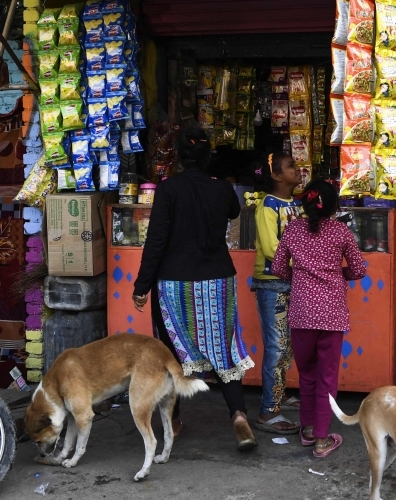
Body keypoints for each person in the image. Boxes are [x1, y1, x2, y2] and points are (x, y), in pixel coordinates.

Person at [133, 123, 258, 451]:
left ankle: (173, 421)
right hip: (217, 281)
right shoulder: (221, 189)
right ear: (208, 156)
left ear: (179, 155)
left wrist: (141, 285)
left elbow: (156, 242)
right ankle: (239, 415)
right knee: (225, 350)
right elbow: (234, 211)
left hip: (174, 285)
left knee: (173, 356)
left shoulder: (168, 189)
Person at [272, 179, 367, 458]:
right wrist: (339, 276)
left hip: (301, 313)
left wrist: (299, 279)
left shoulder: (292, 230)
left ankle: (309, 428)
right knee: (327, 377)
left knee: (307, 376)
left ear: (305, 202)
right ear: (334, 206)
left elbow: (278, 267)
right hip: (332, 315)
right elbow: (359, 269)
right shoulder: (341, 232)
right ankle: (322, 440)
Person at [251, 152, 302, 435]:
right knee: (277, 346)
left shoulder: (296, 204)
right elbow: (272, 250)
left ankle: (279, 396)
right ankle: (268, 411)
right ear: (276, 176)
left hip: (292, 281)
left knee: (287, 345)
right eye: (291, 166)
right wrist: (304, 261)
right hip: (272, 282)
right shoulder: (267, 206)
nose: (298, 169)